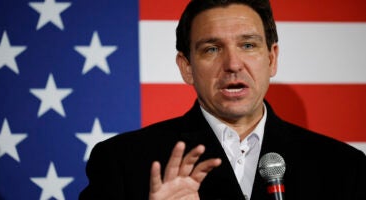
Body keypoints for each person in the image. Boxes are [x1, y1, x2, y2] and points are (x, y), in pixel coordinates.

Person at [79, 0, 366, 199]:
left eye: (248, 45)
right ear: (187, 67)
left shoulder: (342, 167)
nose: (233, 64)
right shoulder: (122, 161)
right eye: (212, 49)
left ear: (271, 58)